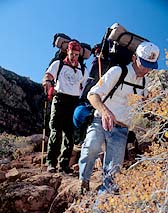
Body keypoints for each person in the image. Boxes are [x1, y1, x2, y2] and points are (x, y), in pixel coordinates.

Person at [78, 41, 160, 194]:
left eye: (150, 66)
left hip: (121, 130)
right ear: (135, 58)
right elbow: (92, 95)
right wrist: (105, 111)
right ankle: (84, 181)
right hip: (100, 121)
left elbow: (143, 107)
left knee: (113, 174)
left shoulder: (145, 82)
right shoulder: (118, 71)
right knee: (91, 148)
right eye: (144, 64)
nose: (147, 69)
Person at [42, 41, 88, 173]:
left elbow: (86, 86)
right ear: (67, 52)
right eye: (72, 54)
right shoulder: (59, 64)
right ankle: (51, 162)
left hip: (74, 101)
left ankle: (64, 164)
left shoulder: (83, 69)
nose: (74, 57)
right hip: (60, 98)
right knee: (56, 131)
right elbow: (48, 76)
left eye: (77, 54)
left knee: (69, 133)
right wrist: (47, 84)